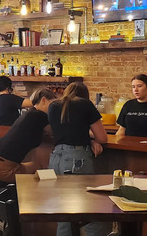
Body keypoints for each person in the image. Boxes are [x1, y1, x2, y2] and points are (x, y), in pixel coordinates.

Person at [48, 82, 109, 236]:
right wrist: (92, 139)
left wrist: (88, 139)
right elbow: (102, 137)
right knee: (91, 209)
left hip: (56, 159)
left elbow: (64, 131)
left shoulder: (54, 106)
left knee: (64, 212)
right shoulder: (85, 105)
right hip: (76, 159)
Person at [0, 89, 57, 183]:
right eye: (52, 103)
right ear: (43, 100)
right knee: (40, 169)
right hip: (3, 168)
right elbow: (55, 132)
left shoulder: (29, 114)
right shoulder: (40, 116)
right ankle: (22, 197)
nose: (54, 107)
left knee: (36, 165)